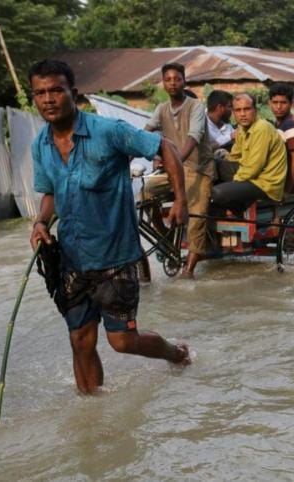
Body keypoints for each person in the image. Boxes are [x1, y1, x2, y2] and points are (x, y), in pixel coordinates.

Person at [28, 59, 191, 394]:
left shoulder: (108, 131)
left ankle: (175, 354)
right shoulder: (40, 145)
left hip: (115, 256)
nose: (48, 99)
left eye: (56, 90)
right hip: (71, 259)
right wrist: (41, 222)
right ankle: (93, 415)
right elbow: (50, 193)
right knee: (80, 341)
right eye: (40, 92)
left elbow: (165, 147)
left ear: (73, 93)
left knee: (121, 340)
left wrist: (180, 200)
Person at [144, 62, 216, 278]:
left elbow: (194, 136)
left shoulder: (195, 106)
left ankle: (189, 271)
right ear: (163, 83)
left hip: (199, 168)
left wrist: (175, 160)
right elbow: (146, 132)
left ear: (184, 81)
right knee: (145, 195)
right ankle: (165, 238)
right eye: (168, 79)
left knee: (196, 215)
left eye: (177, 79)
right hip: (175, 168)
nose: (173, 83)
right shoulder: (161, 109)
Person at [211, 93, 287, 212]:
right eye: (238, 110)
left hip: (264, 183)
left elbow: (253, 168)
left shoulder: (262, 128)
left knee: (216, 193)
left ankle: (239, 211)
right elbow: (234, 157)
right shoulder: (242, 128)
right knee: (212, 164)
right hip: (249, 176)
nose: (242, 114)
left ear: (255, 110)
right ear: (233, 113)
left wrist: (234, 182)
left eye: (247, 109)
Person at [269, 83, 294, 194]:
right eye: (275, 103)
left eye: (283, 103)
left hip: (289, 185)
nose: (279, 107)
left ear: (291, 104)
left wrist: (286, 190)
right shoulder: (279, 125)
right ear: (269, 103)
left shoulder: (291, 126)